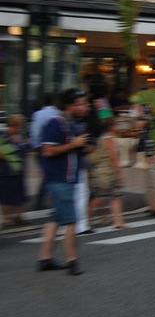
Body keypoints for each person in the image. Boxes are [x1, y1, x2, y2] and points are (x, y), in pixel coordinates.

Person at [38, 88, 89, 275]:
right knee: (71, 221)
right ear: (70, 105)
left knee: (56, 219)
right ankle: (72, 261)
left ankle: (45, 258)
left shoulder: (72, 125)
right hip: (59, 179)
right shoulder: (56, 123)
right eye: (82, 104)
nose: (86, 107)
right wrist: (75, 144)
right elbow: (48, 151)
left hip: (67, 178)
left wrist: (82, 148)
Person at [88, 117, 128, 229]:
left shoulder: (101, 139)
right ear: (112, 127)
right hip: (108, 173)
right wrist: (119, 170)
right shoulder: (110, 139)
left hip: (100, 172)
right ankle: (117, 221)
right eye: (116, 124)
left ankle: (117, 221)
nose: (117, 127)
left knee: (110, 196)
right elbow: (113, 156)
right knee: (105, 197)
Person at [29, 93, 60, 209]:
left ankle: (41, 200)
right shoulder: (57, 113)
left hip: (42, 146)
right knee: (51, 173)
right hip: (56, 146)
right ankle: (49, 199)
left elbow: (35, 132)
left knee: (47, 174)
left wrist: (35, 146)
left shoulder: (38, 114)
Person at [0, 114, 28, 224]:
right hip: (6, 170)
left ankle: (19, 215)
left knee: (19, 193)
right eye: (18, 126)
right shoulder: (3, 135)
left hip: (19, 170)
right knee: (7, 195)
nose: (19, 128)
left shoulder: (19, 136)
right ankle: (7, 217)